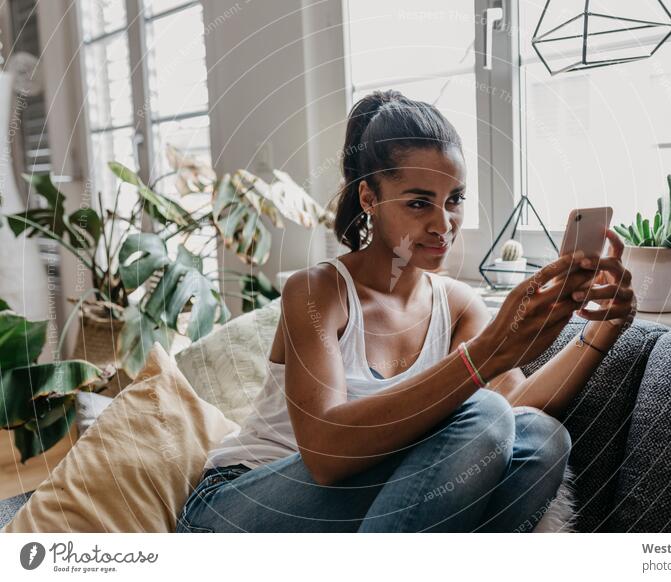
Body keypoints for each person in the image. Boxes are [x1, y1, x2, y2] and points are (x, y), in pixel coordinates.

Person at [176, 90, 636, 533]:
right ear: (369, 199)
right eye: (419, 202)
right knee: (487, 417)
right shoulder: (317, 291)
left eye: (453, 199)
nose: (443, 224)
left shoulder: (457, 306)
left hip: (367, 513)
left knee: (541, 438)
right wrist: (489, 352)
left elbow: (515, 408)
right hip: (240, 508)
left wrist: (603, 328)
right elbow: (325, 452)